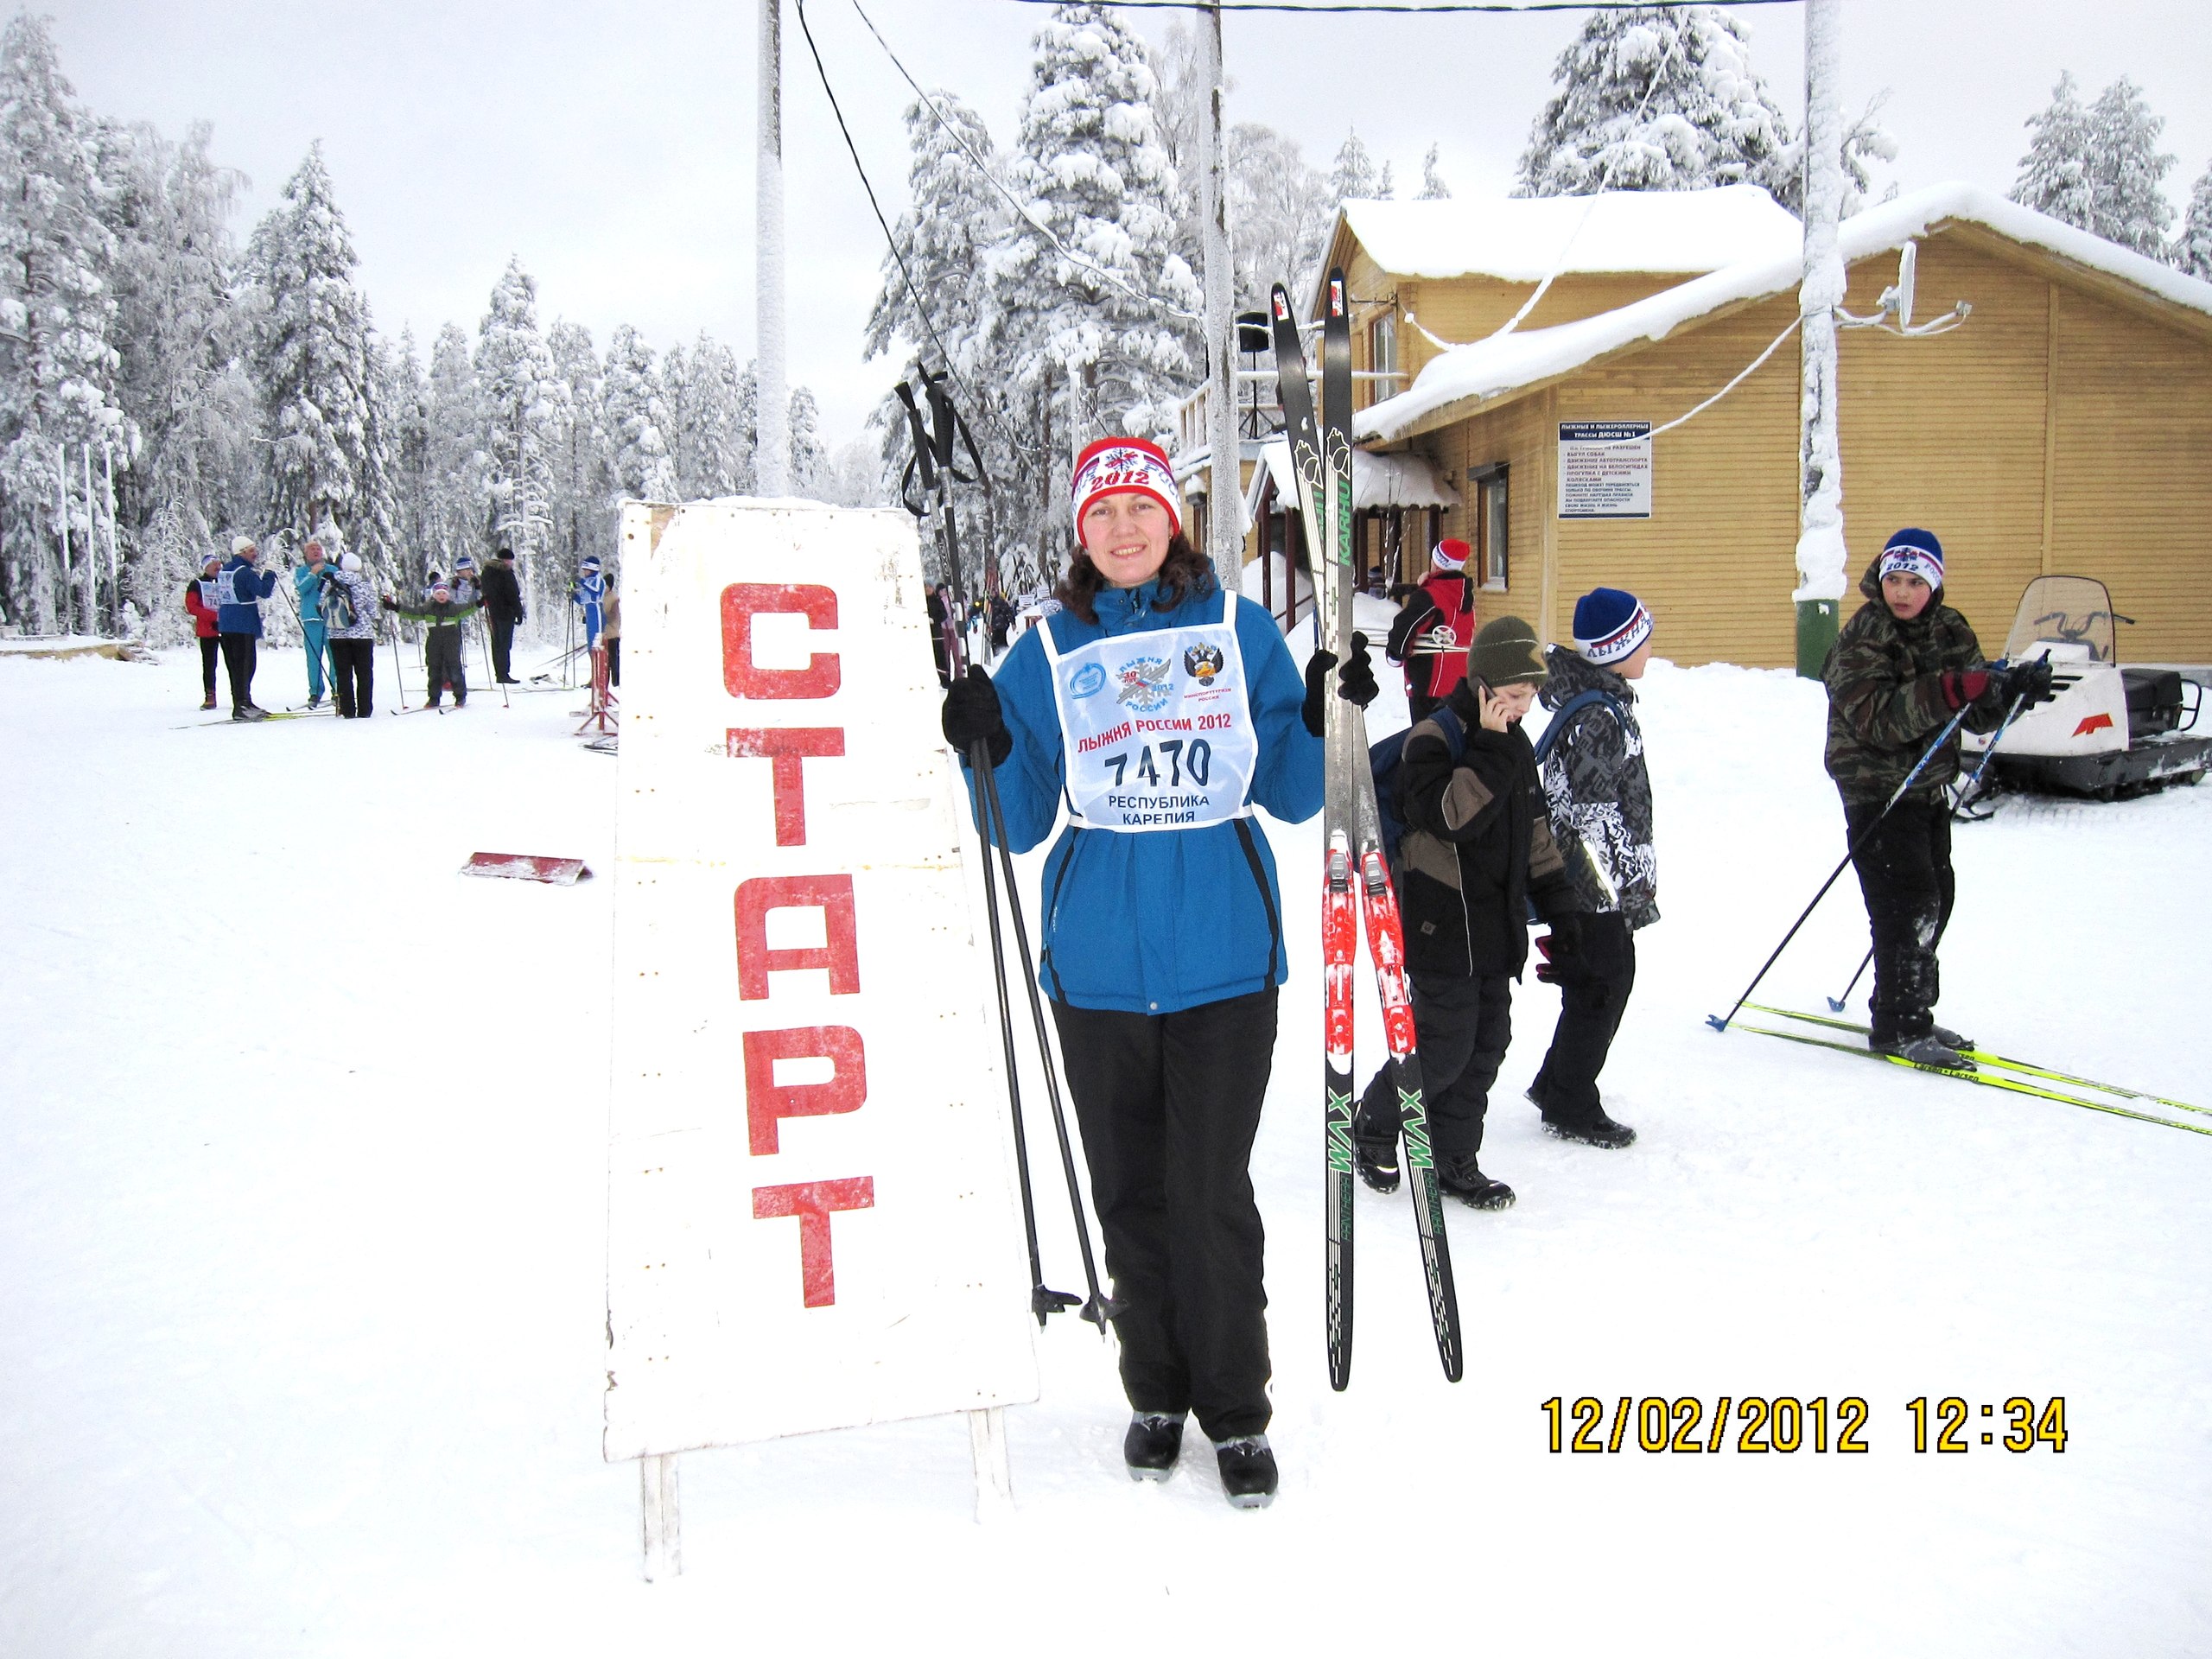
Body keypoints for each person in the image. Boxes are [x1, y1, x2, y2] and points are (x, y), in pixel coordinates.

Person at [939, 434, 1372, 1510]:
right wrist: (982, 743)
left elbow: (1289, 790)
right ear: (1080, 533)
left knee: (1208, 1192)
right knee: (1129, 1192)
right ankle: (1155, 1394)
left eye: (1140, 507)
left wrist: (1327, 714)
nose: (1123, 528)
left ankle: (1235, 1411)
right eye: (1103, 513)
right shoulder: (1046, 650)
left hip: (1224, 959)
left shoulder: (1237, 628)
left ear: (1170, 521)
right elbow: (1019, 821)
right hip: (1095, 967)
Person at [1351, 615, 1585, 1211]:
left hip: (1495, 925)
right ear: (1484, 684)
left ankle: (1454, 1157)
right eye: (1516, 693)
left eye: (1531, 694)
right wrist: (1491, 745)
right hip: (1441, 925)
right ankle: (1374, 1120)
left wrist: (1561, 908)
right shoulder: (1433, 739)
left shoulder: (1514, 743)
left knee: (1485, 1046)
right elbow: (1452, 817)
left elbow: (1534, 831)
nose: (1524, 706)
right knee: (1443, 1046)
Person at [1823, 529, 2053, 1066]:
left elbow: (1974, 711)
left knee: (1937, 897)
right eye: (1894, 580)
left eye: (1915, 582)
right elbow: (1880, 721)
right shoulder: (1863, 636)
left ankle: (1909, 1009)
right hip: (1875, 786)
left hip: (1926, 784)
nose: (1902, 592)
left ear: (1934, 585)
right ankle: (1898, 1027)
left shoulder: (1951, 628)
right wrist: (1954, 688)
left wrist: (2011, 691)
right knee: (1906, 903)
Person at [1526, 588, 1658, 1151]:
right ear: (1617, 649)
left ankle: (1556, 1083)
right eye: (1642, 639)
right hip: (1590, 884)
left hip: (1587, 882)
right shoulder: (1600, 716)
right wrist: (1607, 899)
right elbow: (1591, 817)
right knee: (1604, 984)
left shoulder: (1599, 703)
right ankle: (1571, 1103)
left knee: (1594, 984)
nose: (1650, 648)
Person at [1385, 538, 1478, 724]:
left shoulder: (1429, 595)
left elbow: (1406, 626)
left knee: (1425, 732)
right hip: (1459, 682)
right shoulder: (1464, 593)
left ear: (1436, 562)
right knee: (1450, 732)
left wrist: (1395, 655)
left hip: (1429, 682)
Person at [385, 576, 480, 709]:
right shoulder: (427, 609)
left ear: (448, 595)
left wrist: (481, 602)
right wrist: (395, 607)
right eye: (438, 593)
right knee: (434, 671)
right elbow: (413, 613)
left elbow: (470, 607)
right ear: (434, 596)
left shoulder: (454, 609)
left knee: (454, 670)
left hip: (451, 644)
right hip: (434, 644)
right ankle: (434, 698)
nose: (441, 596)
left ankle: (460, 697)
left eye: (444, 593)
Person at [214, 535, 279, 721]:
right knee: (245, 665)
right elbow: (263, 591)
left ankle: (243, 702)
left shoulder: (226, 570)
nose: (255, 554)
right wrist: (269, 574)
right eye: (251, 551)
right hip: (242, 623)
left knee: (234, 666)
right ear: (241, 552)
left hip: (226, 623)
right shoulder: (244, 572)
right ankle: (242, 704)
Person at [322, 552, 381, 718]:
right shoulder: (364, 586)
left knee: (343, 674)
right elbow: (373, 611)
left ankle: (347, 710)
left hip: (337, 634)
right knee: (364, 673)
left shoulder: (330, 583)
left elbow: (321, 606)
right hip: (362, 635)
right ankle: (365, 710)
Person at [292, 539, 334, 709]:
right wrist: (313, 574)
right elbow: (301, 589)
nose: (316, 552)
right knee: (313, 658)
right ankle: (315, 692)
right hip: (311, 619)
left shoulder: (332, 570)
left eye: (318, 549)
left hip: (331, 619)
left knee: (335, 657)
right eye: (312, 549)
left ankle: (337, 690)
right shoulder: (301, 572)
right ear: (306, 554)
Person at [480, 548, 524, 683]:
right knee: (504, 644)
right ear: (505, 560)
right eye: (510, 560)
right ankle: (504, 673)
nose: (511, 563)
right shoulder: (506, 573)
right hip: (506, 613)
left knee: (497, 643)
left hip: (493, 612)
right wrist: (519, 611)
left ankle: (499, 673)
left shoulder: (487, 572)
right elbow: (513, 594)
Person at [185, 550, 221, 709]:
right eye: (214, 565)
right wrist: (213, 616)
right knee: (209, 664)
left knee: (235, 662)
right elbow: (191, 607)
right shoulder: (196, 584)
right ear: (206, 567)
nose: (218, 568)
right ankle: (210, 696)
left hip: (227, 627)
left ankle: (240, 696)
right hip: (207, 629)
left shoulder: (224, 581)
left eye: (219, 564)